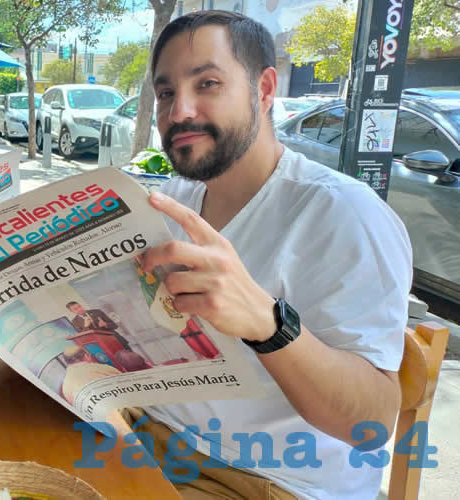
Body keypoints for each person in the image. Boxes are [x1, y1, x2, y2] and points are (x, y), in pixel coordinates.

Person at [128, 10, 412, 500]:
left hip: (271, 480)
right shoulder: (176, 199)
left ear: (263, 90)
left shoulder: (343, 215)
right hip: (154, 438)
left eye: (208, 83)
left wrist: (268, 323)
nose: (179, 112)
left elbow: (372, 420)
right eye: (166, 93)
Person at [65, 301, 132, 351]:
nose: (79, 309)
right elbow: (83, 339)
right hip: (103, 347)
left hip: (117, 340)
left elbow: (115, 325)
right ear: (71, 311)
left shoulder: (97, 312)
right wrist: (86, 326)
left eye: (79, 306)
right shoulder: (74, 322)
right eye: (75, 309)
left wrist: (105, 324)